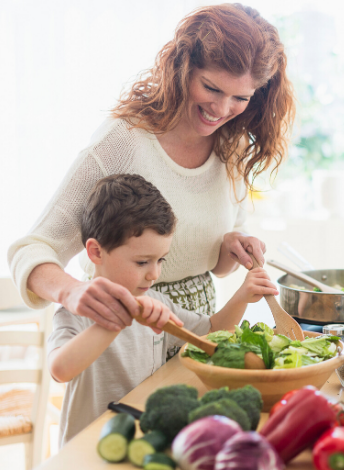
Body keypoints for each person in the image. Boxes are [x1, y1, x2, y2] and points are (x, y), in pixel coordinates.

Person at [7, 3, 294, 338]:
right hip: (120, 333)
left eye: (240, 98)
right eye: (212, 88)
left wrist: (233, 244)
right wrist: (72, 293)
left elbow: (216, 266)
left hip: (198, 335)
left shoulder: (232, 147)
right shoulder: (123, 140)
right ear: (182, 68)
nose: (222, 109)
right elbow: (32, 248)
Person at [47, 174, 278, 446]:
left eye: (160, 260)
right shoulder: (75, 312)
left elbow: (212, 332)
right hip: (88, 447)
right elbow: (60, 370)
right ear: (96, 252)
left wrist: (242, 296)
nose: (154, 274)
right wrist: (119, 318)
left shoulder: (158, 303)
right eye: (142, 262)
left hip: (144, 439)